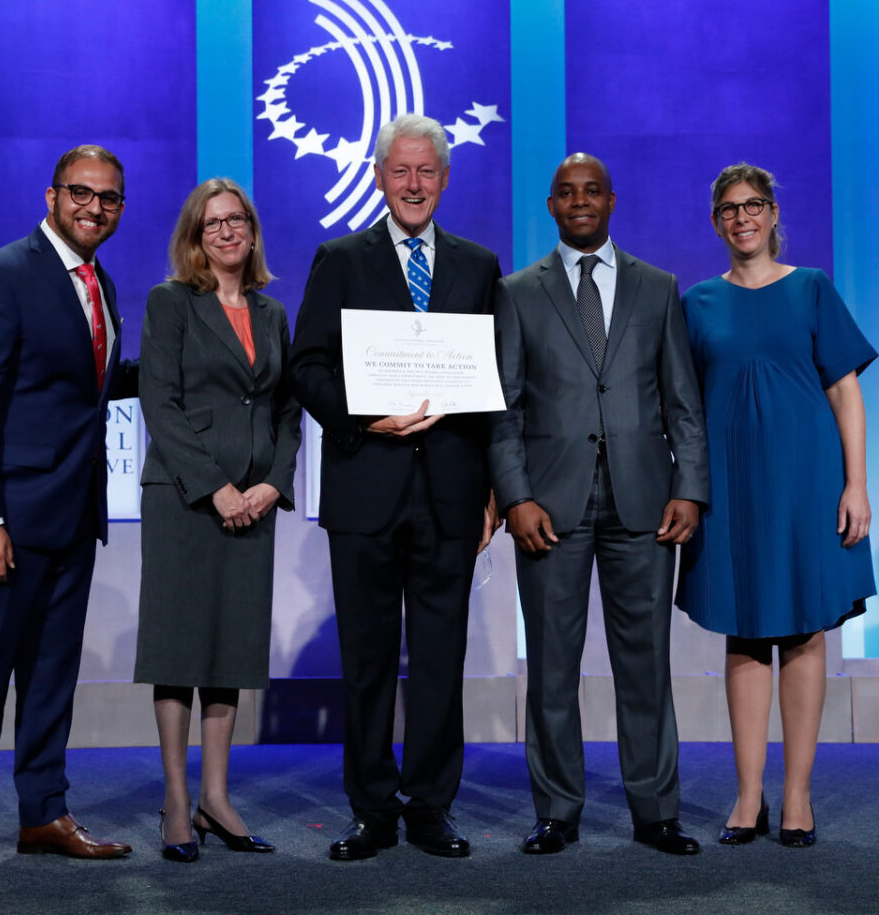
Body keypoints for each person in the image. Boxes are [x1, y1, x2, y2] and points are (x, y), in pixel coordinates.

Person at [0, 145, 139, 878]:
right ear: (51, 196)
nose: (94, 208)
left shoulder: (98, 281)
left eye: (109, 198)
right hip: (4, 521)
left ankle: (43, 813)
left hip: (74, 516)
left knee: (51, 678)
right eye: (81, 193)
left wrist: (187, 364)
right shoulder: (1, 275)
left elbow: (84, 387)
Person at [290, 113, 501, 861]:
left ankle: (432, 807)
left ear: (444, 179)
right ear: (379, 178)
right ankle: (372, 810)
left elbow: (495, 385)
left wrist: (495, 491)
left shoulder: (478, 266)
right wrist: (364, 417)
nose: (414, 185)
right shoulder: (341, 258)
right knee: (370, 661)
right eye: (401, 172)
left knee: (441, 661)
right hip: (365, 488)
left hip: (450, 493)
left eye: (427, 172)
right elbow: (307, 366)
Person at [489, 153, 709, 856]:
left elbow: (684, 403)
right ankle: (557, 810)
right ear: (550, 206)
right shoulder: (519, 291)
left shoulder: (658, 287)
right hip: (549, 507)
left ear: (611, 201)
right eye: (566, 193)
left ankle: (656, 812)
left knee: (645, 664)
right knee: (552, 664)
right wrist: (514, 496)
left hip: (645, 502)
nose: (580, 202)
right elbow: (504, 410)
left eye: (592, 192)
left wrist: (691, 487)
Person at [678, 163, 876, 849]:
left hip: (808, 479)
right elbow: (680, 405)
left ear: (771, 213)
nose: (742, 218)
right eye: (729, 208)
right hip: (730, 486)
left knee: (802, 631)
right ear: (716, 222)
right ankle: (746, 798)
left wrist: (856, 483)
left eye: (753, 205)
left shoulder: (812, 287)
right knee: (743, 631)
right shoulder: (697, 302)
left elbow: (846, 390)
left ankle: (796, 798)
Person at [133, 179, 301, 862]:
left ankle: (217, 798)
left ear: (254, 232)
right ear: (195, 239)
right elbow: (159, 403)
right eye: (212, 224)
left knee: (230, 648)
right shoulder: (171, 303)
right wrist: (215, 487)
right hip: (184, 497)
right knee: (180, 649)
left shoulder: (273, 314)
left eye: (237, 221)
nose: (227, 232)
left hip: (254, 502)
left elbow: (288, 412)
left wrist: (271, 485)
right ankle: (177, 802)